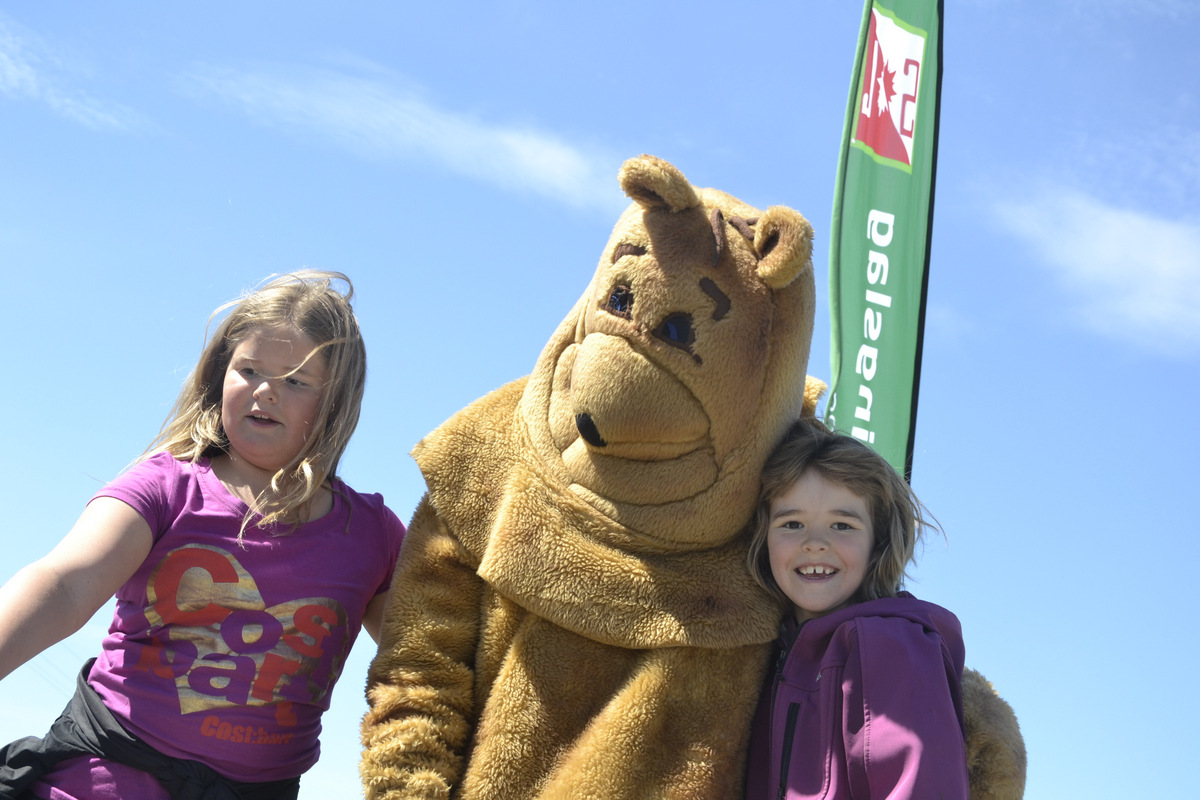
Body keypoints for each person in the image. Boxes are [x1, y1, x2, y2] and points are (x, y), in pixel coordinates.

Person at [0, 271, 405, 800]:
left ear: (335, 401)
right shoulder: (166, 485)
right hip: (107, 773)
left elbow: (428, 657)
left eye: (296, 380)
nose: (265, 391)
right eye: (249, 369)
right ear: (221, 375)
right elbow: (65, 584)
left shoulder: (371, 534)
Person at [743, 417, 968, 800]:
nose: (815, 543)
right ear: (763, 538)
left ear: (877, 542)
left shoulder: (892, 644)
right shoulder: (754, 658)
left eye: (842, 526)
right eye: (792, 523)